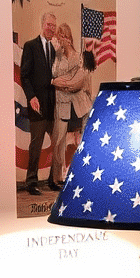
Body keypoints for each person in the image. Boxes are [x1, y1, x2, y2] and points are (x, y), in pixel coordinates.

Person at [18, 12, 57, 195]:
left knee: (55, 143)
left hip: (52, 106)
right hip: (37, 105)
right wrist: (31, 97)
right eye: (49, 24)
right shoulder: (30, 46)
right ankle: (31, 182)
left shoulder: (54, 50)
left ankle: (52, 180)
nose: (52, 28)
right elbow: (24, 75)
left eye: (54, 26)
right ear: (42, 25)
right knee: (36, 144)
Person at [49, 23, 91, 189]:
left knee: (81, 141)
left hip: (79, 106)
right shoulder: (57, 56)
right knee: (58, 141)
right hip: (61, 105)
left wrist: (59, 82)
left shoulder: (79, 56)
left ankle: (83, 175)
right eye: (60, 36)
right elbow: (53, 75)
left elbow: (77, 82)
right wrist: (56, 81)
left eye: (65, 36)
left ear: (70, 38)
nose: (62, 39)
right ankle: (58, 178)